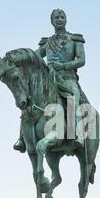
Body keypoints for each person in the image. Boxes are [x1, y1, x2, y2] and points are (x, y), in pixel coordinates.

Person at [13, 9, 86, 153]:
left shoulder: (75, 39)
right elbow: (35, 56)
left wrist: (64, 66)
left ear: (66, 20)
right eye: (56, 17)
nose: (60, 19)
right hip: (48, 78)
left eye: (62, 17)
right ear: (52, 21)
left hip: (67, 77)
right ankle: (21, 137)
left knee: (73, 96)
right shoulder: (47, 42)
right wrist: (20, 61)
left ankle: (76, 134)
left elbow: (82, 60)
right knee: (29, 100)